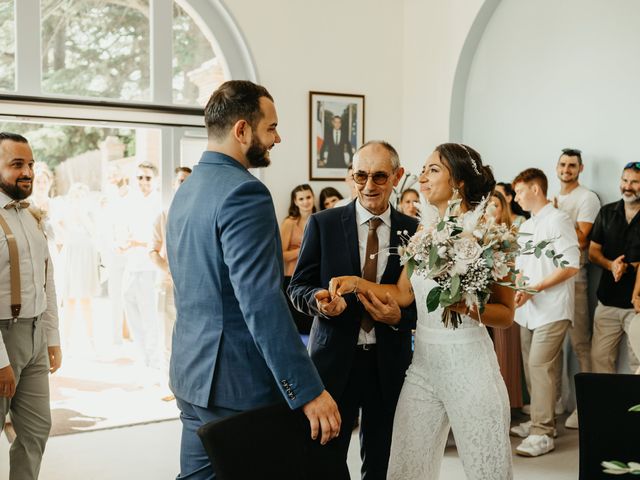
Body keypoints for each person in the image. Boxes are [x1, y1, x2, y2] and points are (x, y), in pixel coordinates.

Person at [165, 80, 340, 479]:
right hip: (236, 380)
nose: (277, 138)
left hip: (191, 372)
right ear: (242, 130)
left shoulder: (187, 189)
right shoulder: (246, 192)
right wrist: (307, 389)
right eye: (271, 127)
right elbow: (261, 302)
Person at [329, 143, 513, 479]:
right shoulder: (421, 233)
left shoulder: (489, 234)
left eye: (433, 170)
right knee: (405, 467)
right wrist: (357, 283)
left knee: (488, 470)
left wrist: (465, 305)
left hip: (470, 366)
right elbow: (401, 294)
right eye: (424, 169)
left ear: (457, 181)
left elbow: (505, 314)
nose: (422, 177)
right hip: (423, 367)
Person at [288, 140, 419, 480]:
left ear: (397, 176)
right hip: (333, 362)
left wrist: (400, 318)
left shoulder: (415, 232)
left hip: (388, 362)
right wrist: (320, 301)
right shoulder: (324, 223)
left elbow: (422, 303)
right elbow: (297, 287)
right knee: (326, 459)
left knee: (383, 460)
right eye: (361, 176)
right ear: (350, 176)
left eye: (379, 177)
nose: (369, 186)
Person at [0, 132, 62, 480]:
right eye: (16, 164)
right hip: (3, 338)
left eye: (31, 164)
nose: (27, 172)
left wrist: (52, 338)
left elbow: (46, 281)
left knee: (36, 430)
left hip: (36, 334)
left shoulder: (31, 217)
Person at [509, 168, 580, 457]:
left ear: (535, 189)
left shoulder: (559, 220)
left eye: (519, 191)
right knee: (532, 367)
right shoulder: (527, 225)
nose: (515, 198)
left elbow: (571, 264)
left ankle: (543, 432)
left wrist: (534, 289)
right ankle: (538, 419)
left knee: (539, 365)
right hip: (528, 309)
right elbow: (521, 266)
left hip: (552, 308)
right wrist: (518, 286)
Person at [552, 148, 601, 429]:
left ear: (580, 169)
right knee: (554, 347)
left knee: (581, 343)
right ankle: (557, 401)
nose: (566, 169)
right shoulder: (554, 198)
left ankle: (587, 406)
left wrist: (555, 219)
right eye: (562, 164)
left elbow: (581, 240)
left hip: (576, 280)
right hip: (551, 280)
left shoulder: (587, 198)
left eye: (572, 165)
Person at [589, 162, 640, 375]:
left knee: (638, 364)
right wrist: (611, 265)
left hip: (637, 305)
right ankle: (606, 409)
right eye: (625, 180)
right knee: (600, 361)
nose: (628, 186)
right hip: (607, 301)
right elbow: (593, 253)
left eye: (635, 182)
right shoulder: (607, 212)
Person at [149, 166, 192, 395]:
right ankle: (168, 384)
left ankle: (187, 383)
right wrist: (170, 270)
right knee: (166, 336)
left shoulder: (197, 212)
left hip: (193, 288)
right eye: (181, 180)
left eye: (188, 180)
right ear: (174, 184)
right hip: (166, 285)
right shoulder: (163, 215)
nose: (184, 184)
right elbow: (152, 251)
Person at [121, 162, 162, 369]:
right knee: (132, 312)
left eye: (147, 178)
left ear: (154, 180)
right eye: (140, 178)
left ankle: (154, 361)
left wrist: (138, 242)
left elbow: (159, 239)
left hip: (150, 268)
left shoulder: (159, 204)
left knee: (150, 316)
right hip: (131, 264)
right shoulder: (129, 202)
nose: (143, 182)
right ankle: (141, 355)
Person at [487, 190, 523, 409]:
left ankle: (509, 403)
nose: (491, 209)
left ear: (503, 209)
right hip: (483, 301)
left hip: (506, 295)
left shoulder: (508, 237)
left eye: (495, 205)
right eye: (487, 205)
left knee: (504, 353)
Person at [280, 184, 316, 334]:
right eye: (301, 199)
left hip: (314, 277)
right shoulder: (289, 223)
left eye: (308, 197)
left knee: (312, 321)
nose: (305, 202)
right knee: (296, 323)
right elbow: (281, 254)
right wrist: (302, 250)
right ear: (295, 201)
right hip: (292, 277)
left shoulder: (319, 219)